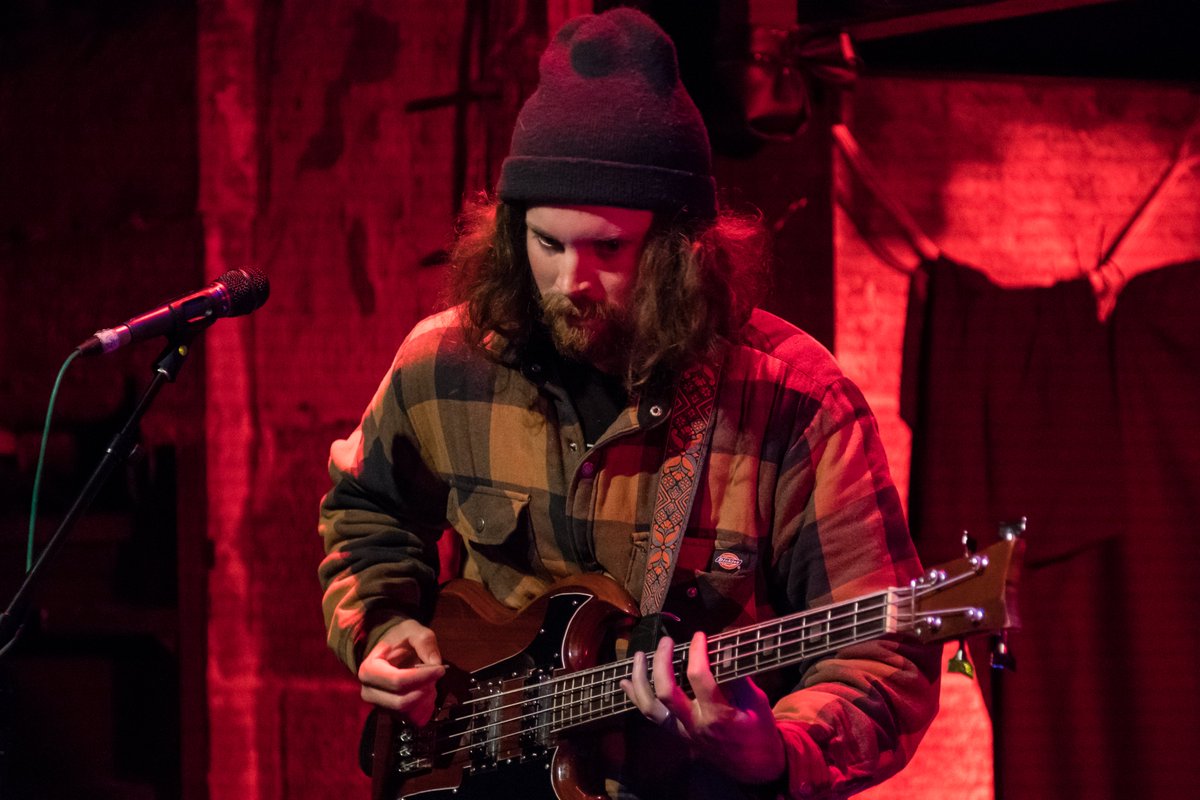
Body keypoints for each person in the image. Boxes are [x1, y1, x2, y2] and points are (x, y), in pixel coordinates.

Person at [319, 8, 939, 799]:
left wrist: (778, 749)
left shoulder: (796, 402)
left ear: (679, 249)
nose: (571, 282)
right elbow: (364, 512)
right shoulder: (445, 365)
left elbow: (883, 651)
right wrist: (387, 625)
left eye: (607, 248)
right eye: (548, 244)